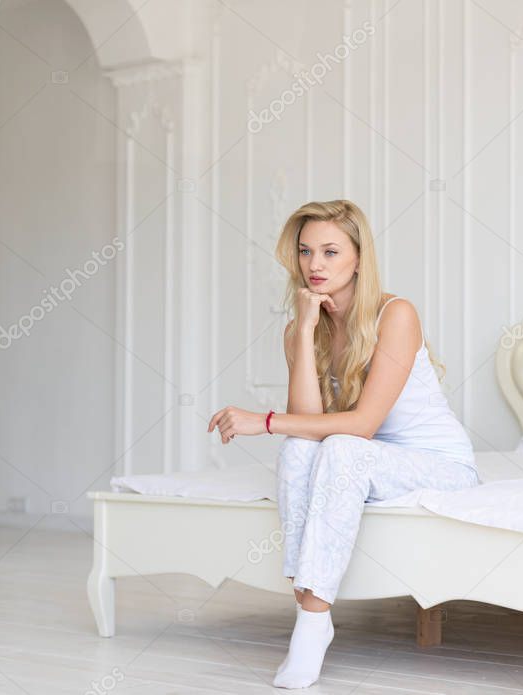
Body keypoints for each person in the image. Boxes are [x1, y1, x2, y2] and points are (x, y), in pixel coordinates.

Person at [207, 199, 478, 689]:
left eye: (331, 252)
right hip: (359, 457)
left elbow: (364, 425)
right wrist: (307, 329)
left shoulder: (395, 314)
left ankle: (311, 625)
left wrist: (263, 420)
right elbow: (308, 426)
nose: (315, 265)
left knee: (342, 446)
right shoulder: (299, 329)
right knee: (303, 448)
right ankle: (310, 615)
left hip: (438, 464)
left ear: (358, 258)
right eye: (306, 251)